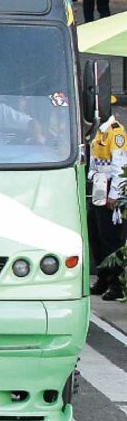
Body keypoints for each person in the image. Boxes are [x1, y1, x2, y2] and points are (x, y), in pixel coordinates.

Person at [89, 114, 127, 293]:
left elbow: (120, 165)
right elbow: (94, 162)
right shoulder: (99, 132)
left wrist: (115, 195)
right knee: (96, 235)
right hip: (99, 187)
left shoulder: (116, 132)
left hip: (111, 188)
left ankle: (117, 283)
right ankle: (103, 278)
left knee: (111, 238)